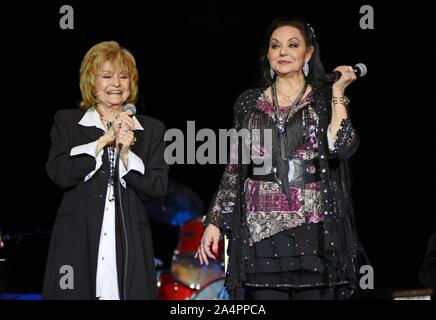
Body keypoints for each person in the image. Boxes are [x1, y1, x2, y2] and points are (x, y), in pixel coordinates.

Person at [196, 17, 366, 300]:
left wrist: (338, 94)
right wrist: (215, 221)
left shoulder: (324, 99)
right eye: (276, 46)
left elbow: (342, 147)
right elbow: (235, 167)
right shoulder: (249, 102)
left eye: (293, 45)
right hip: (261, 231)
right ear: (268, 54)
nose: (283, 52)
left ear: (308, 53)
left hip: (315, 230)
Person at [43, 41, 168, 299]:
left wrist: (125, 153)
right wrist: (102, 141)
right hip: (78, 240)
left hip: (130, 239)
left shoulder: (152, 129)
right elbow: (59, 173)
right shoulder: (67, 122)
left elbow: (158, 187)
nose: (116, 84)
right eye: (107, 76)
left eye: (123, 77)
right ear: (91, 82)